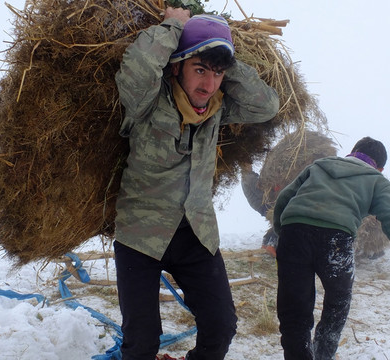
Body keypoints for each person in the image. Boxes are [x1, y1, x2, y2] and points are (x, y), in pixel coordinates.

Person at [114, 7, 280, 360]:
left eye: (217, 75)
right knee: (141, 344)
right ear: (177, 67)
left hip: (196, 232)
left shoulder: (218, 109)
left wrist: (224, 57)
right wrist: (175, 25)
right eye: (200, 70)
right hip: (140, 235)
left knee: (221, 328)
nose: (208, 85)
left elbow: (266, 105)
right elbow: (137, 68)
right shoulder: (147, 101)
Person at [272, 136, 390, 360]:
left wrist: (285, 236)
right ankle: (322, 355)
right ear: (380, 167)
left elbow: (284, 199)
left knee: (294, 314)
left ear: (353, 151)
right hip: (335, 240)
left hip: (294, 232)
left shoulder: (320, 166)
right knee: (337, 305)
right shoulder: (376, 180)